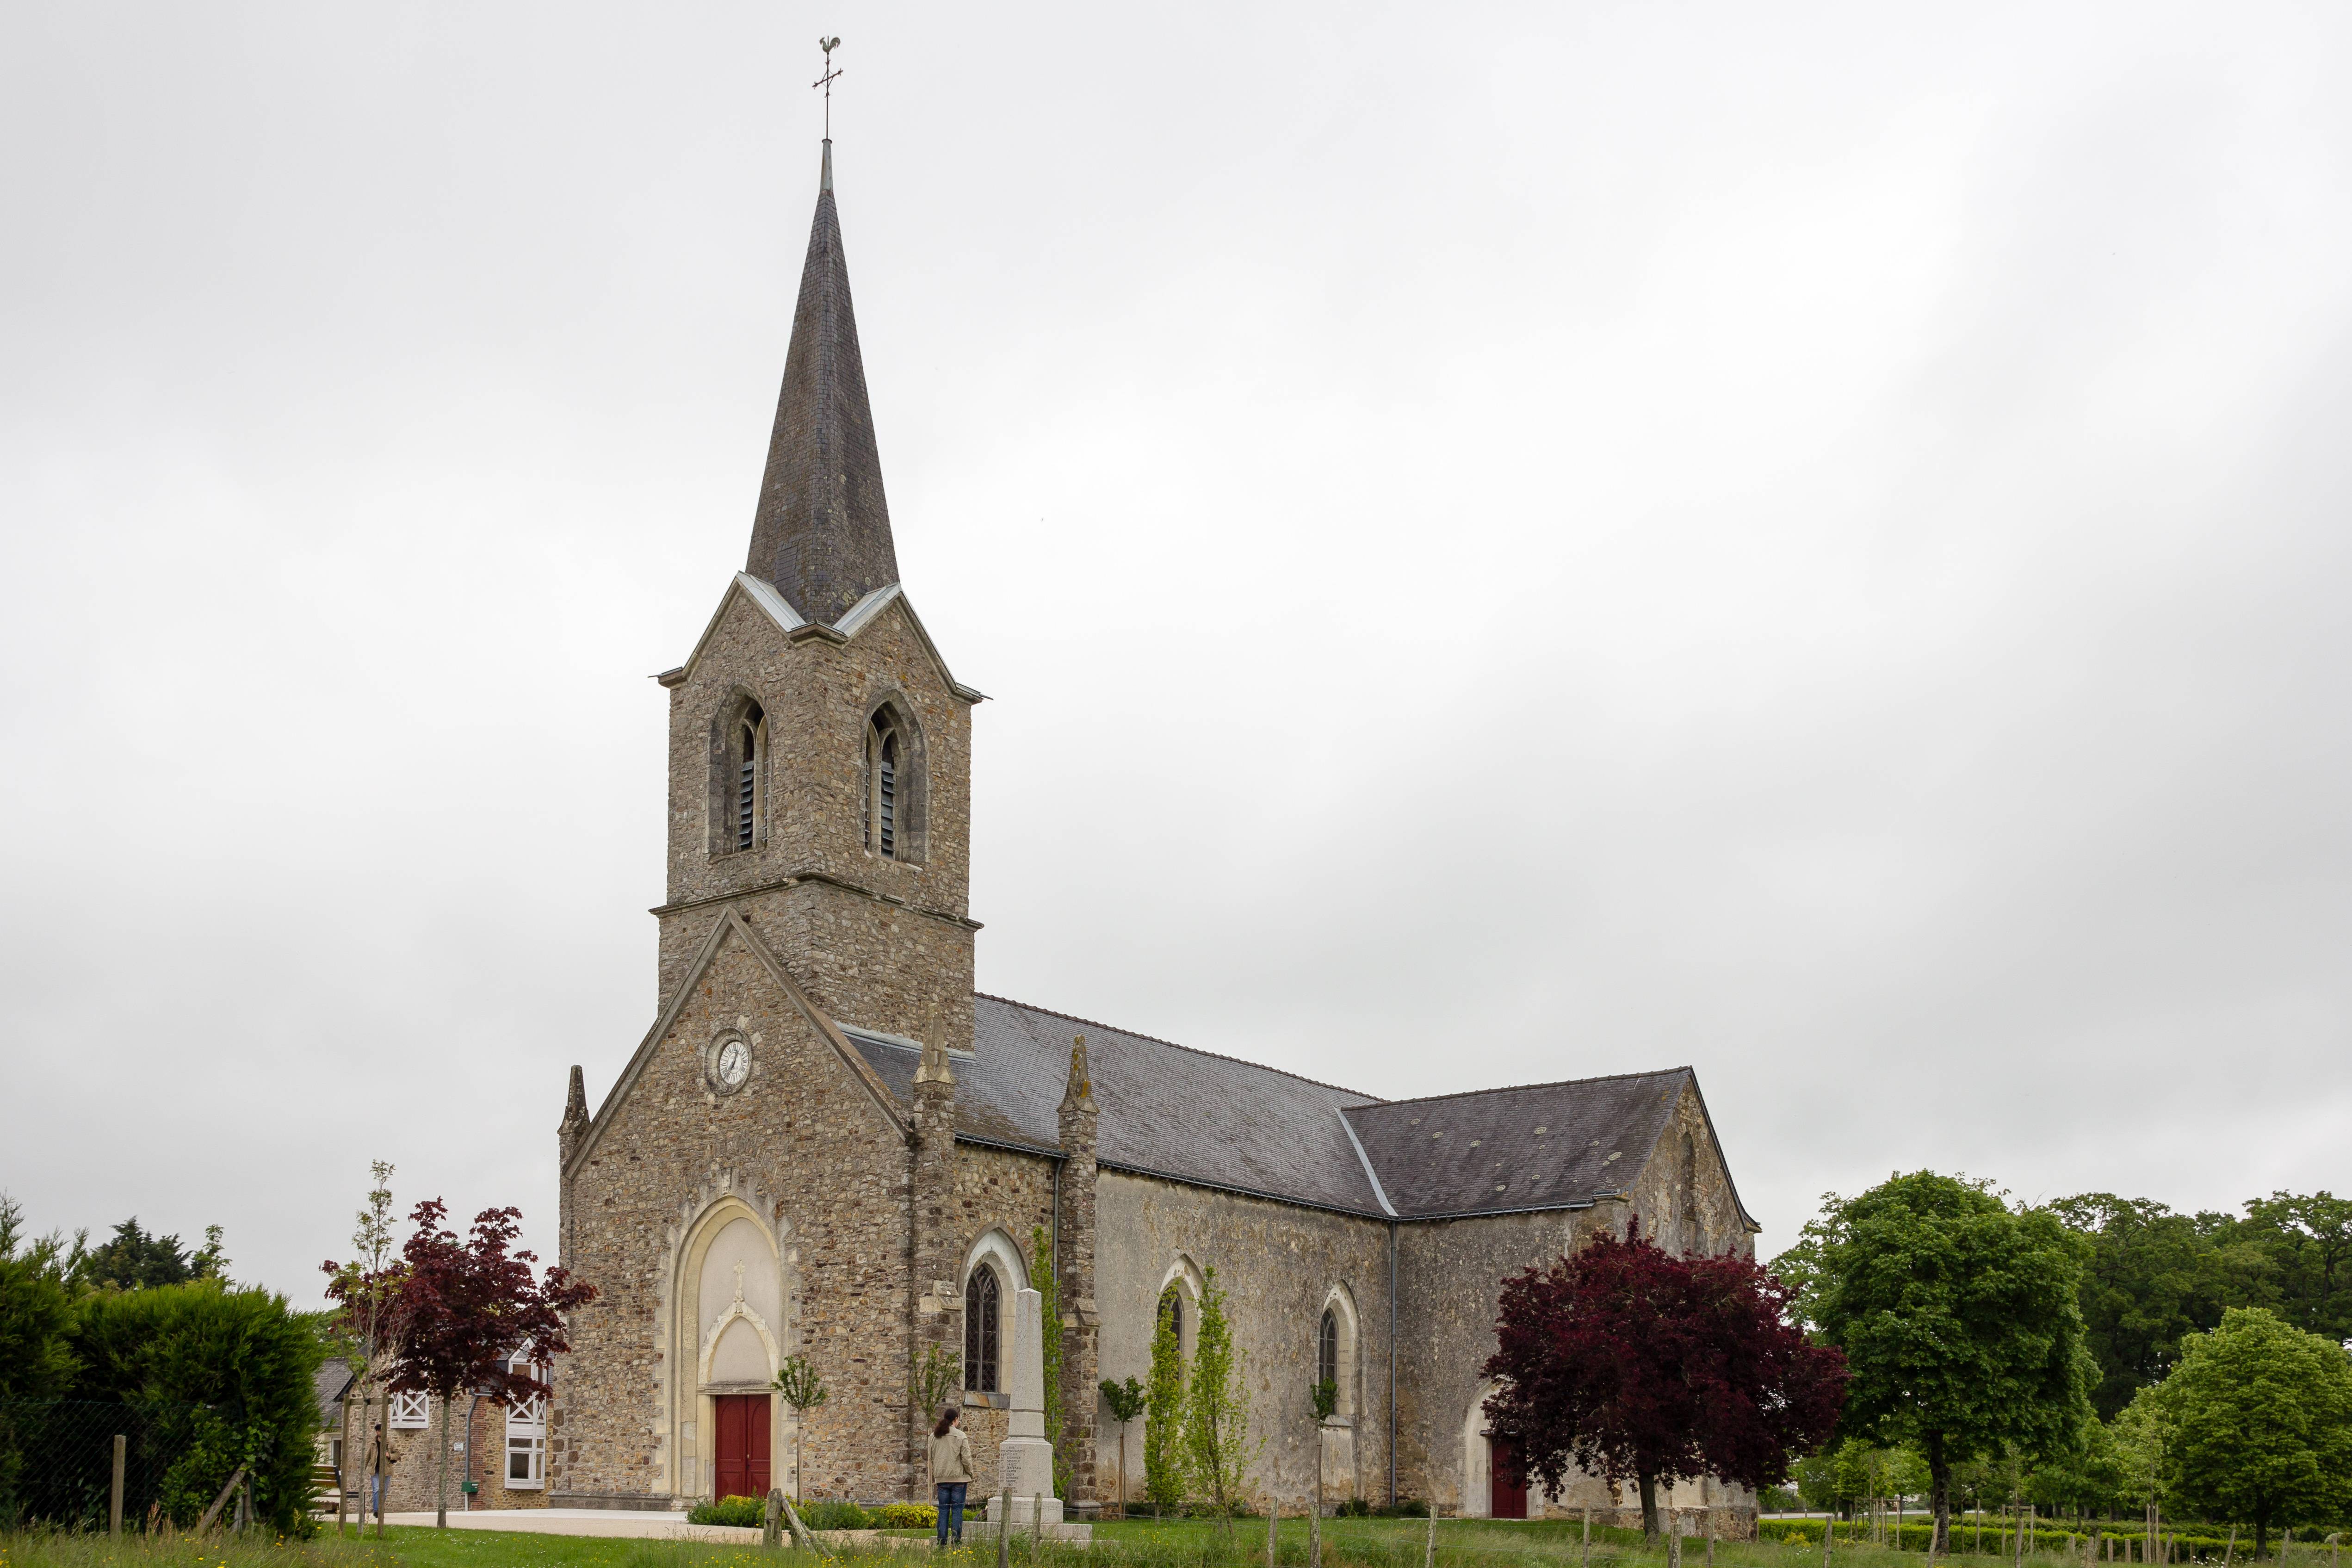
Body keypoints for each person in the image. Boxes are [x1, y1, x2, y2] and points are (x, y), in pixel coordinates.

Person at [928, 1404, 975, 1546]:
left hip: (942, 1479)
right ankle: (956, 1542)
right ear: (955, 1419)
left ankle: (942, 1543)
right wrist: (970, 1473)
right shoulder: (961, 1436)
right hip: (959, 1479)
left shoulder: (934, 1436)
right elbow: (966, 1459)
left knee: (943, 1511)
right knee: (957, 1511)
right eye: (958, 1419)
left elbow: (930, 1456)